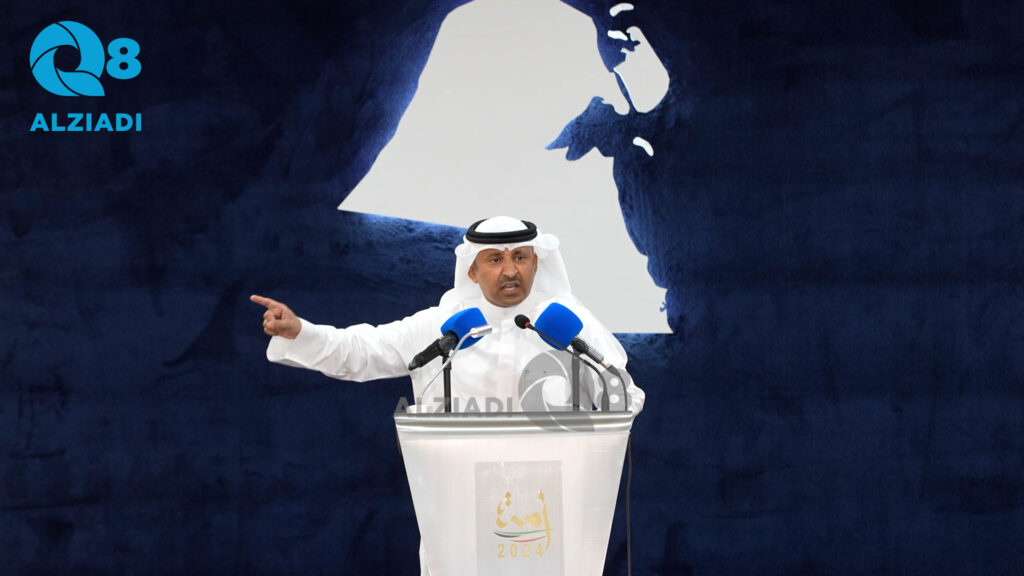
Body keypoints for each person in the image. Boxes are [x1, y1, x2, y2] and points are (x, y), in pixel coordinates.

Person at [252, 215, 644, 415]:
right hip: (459, 496)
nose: (510, 270)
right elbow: (360, 351)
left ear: (536, 264)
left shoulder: (568, 324)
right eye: (495, 259)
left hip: (555, 493)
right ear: (473, 271)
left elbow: (623, 396)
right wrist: (301, 332)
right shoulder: (444, 327)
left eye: (520, 258)